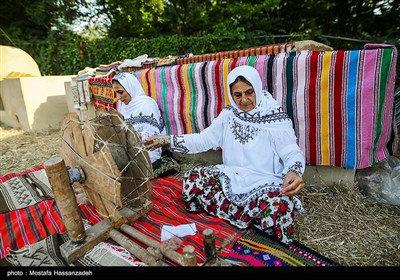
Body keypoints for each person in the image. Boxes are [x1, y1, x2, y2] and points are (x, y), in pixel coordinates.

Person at [144, 65, 305, 244]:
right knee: (194, 177)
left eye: (249, 92)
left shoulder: (275, 118)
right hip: (232, 176)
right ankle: (248, 220)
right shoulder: (229, 114)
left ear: (257, 89)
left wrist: (293, 172)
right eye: (238, 95)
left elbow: (292, 152)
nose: (244, 100)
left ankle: (252, 222)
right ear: (231, 95)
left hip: (264, 183)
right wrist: (169, 140)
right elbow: (203, 140)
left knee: (280, 204)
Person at [112, 72, 179, 177]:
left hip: (151, 156)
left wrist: (142, 164)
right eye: (116, 93)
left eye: (120, 92)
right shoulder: (124, 108)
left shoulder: (147, 105)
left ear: (131, 88)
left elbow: (153, 143)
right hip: (133, 155)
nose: (119, 97)